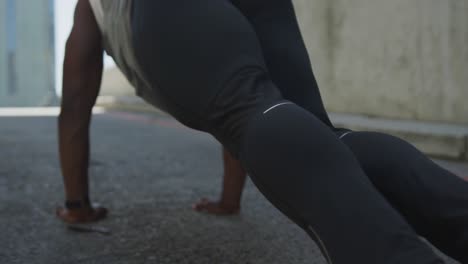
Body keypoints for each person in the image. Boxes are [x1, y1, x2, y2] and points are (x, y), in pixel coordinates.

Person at [57, 0, 468, 263]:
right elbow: (253, 114)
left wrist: (76, 204)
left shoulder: (90, 9)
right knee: (320, 133)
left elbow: (76, 105)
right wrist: (228, 198)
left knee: (248, 109)